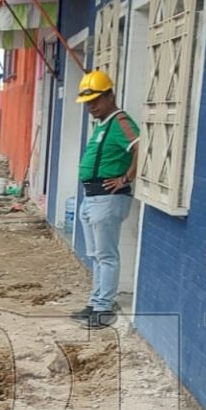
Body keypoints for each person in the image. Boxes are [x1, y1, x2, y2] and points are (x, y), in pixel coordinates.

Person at [74, 70, 140, 328]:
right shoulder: (103, 124)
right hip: (91, 197)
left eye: (96, 101)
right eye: (88, 103)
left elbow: (141, 147)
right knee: (96, 255)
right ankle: (95, 302)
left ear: (110, 96)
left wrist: (126, 178)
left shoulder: (121, 121)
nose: (91, 107)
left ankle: (103, 307)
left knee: (106, 255)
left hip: (107, 198)